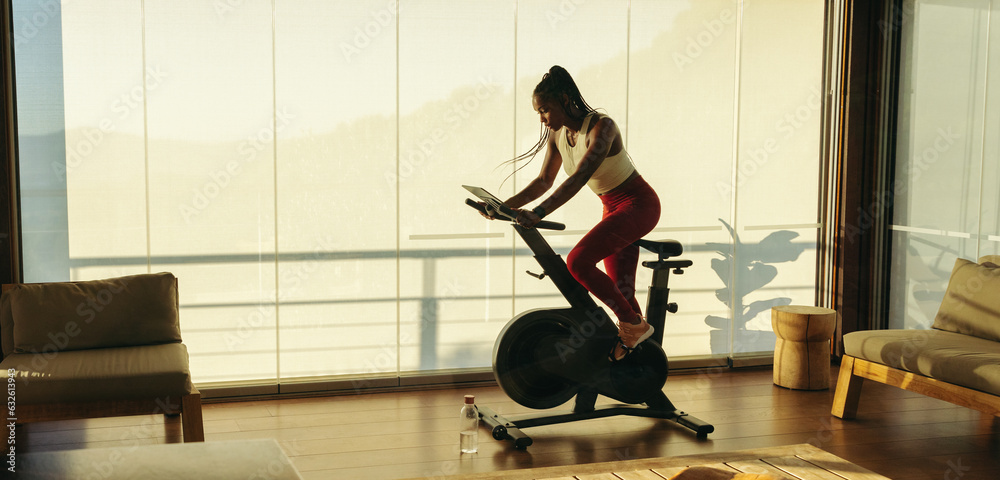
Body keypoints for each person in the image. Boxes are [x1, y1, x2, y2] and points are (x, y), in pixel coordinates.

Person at [498, 65, 661, 361]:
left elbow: (577, 178)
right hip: (612, 207)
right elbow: (544, 180)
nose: (542, 119)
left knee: (578, 261)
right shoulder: (557, 135)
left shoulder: (602, 127)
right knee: (623, 293)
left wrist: (539, 212)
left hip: (639, 205)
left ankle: (634, 326)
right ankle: (642, 363)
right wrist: (504, 206)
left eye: (544, 110)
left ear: (563, 99)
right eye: (538, 113)